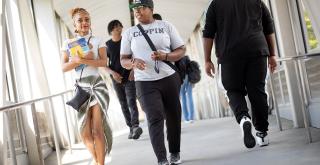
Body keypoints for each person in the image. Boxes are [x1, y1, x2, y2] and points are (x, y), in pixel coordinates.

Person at [203, 0, 277, 148]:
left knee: (233, 90)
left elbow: (208, 33)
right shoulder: (257, 1)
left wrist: (207, 60)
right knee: (257, 90)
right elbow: (269, 28)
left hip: (229, 54)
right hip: (257, 50)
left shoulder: (216, 4)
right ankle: (262, 133)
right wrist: (272, 55)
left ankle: (243, 118)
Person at [120, 0, 186, 164]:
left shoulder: (166, 26)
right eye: (134, 8)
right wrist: (133, 63)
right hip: (144, 81)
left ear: (151, 8)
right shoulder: (129, 33)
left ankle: (175, 152)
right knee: (154, 116)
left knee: (173, 115)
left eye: (141, 7)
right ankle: (162, 159)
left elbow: (181, 50)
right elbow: (123, 60)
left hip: (169, 77)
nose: (137, 11)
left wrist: (165, 56)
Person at [61, 8, 112, 165]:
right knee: (85, 133)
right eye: (80, 20)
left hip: (97, 86)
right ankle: (97, 161)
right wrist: (76, 60)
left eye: (87, 19)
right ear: (74, 24)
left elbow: (104, 62)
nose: (84, 23)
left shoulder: (97, 40)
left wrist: (82, 60)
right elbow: (63, 67)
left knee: (97, 131)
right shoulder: (68, 43)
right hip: (81, 89)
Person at [104, 20, 143, 140]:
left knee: (131, 101)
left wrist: (133, 71)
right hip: (116, 79)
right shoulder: (107, 45)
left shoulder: (126, 41)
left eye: (120, 26)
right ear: (111, 31)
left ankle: (136, 126)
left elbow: (135, 56)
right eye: (115, 27)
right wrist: (113, 74)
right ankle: (131, 128)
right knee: (123, 104)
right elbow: (103, 65)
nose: (119, 28)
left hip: (129, 77)